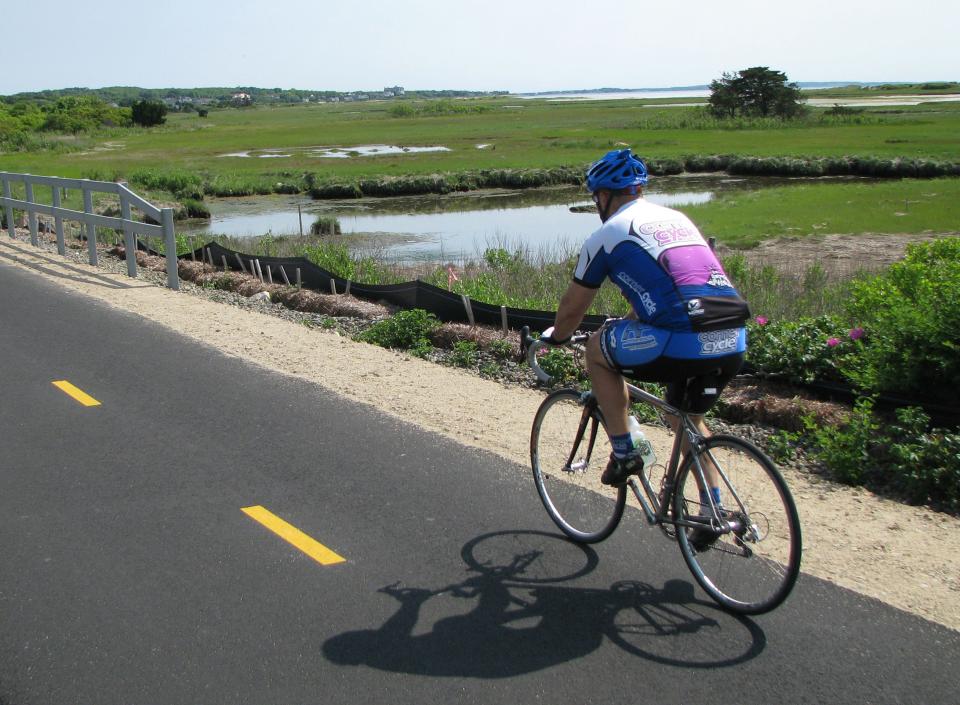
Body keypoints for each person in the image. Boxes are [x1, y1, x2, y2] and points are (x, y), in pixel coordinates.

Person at [541, 149, 750, 504]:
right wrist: (628, 320)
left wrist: (556, 337)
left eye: (596, 199)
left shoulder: (606, 236)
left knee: (596, 349)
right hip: (732, 338)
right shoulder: (678, 219)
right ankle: (712, 509)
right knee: (684, 417)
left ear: (603, 196)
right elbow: (672, 288)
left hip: (682, 341)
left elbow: (572, 308)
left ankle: (625, 453)